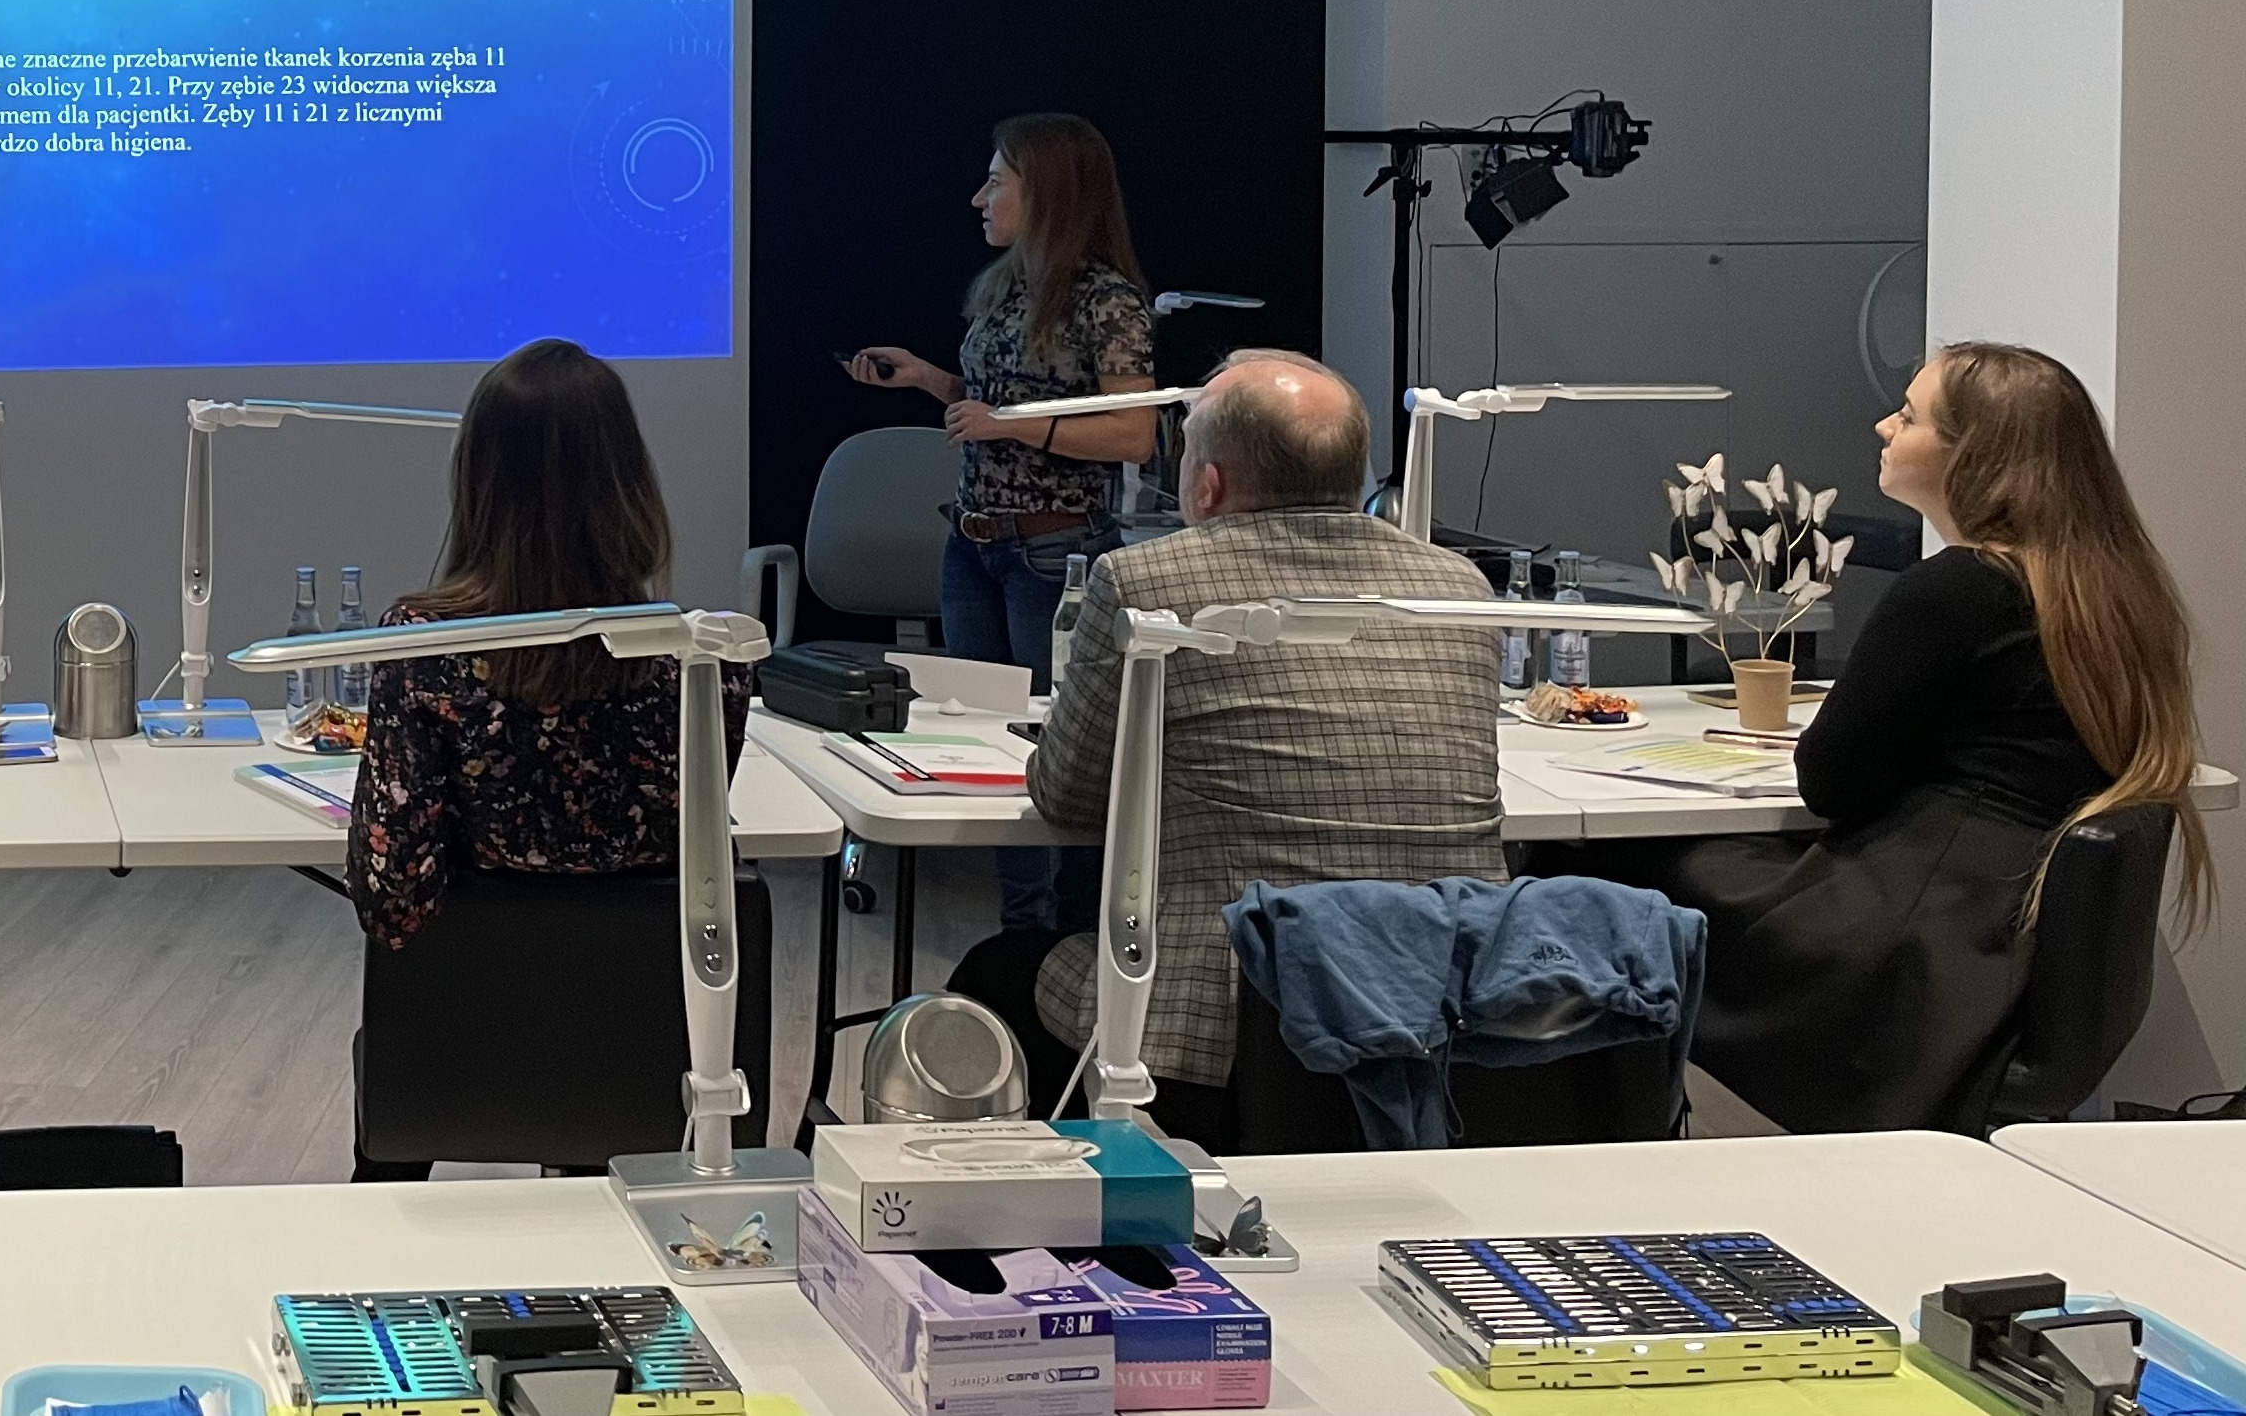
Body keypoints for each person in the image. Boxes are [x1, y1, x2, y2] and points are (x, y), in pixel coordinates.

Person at [1600, 343, 2213, 1133]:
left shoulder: (1960, 587)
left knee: (1600, 873)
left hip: (1919, 949)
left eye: (1910, 415)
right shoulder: (2116, 590)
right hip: (1992, 941)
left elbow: (1832, 782)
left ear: (1974, 455)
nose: (1883, 426)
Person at [944, 351, 1502, 1145]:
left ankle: (1039, 1207)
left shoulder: (1146, 583)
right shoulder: (1459, 589)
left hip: (1227, 1017)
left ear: (1207, 484)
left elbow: (1067, 795)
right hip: (1446, 1011)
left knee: (993, 975)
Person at [848, 114, 1158, 929]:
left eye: (997, 181)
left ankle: (1074, 933)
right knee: (984, 739)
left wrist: (1008, 424)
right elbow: (993, 406)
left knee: (1057, 743)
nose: (978, 198)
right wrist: (929, 380)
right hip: (974, 547)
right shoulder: (1007, 287)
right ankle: (1021, 929)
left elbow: (1133, 433)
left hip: (1053, 555)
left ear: (1046, 192)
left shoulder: (1107, 301)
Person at [343, 338, 751, 947]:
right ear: (630, 480)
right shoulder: (710, 658)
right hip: (672, 1001)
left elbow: (392, 904)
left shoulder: (423, 652)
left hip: (473, 999)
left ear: (477, 480)